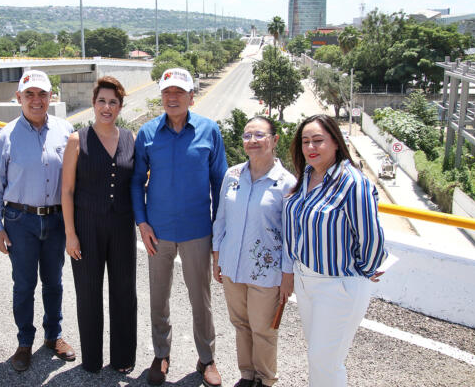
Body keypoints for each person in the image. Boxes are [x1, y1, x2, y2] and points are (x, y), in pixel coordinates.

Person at [131, 68, 228, 387]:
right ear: (161, 96)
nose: (172, 98)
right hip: (157, 231)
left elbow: (220, 183)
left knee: (201, 298)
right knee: (158, 297)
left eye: (179, 92)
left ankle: (207, 358)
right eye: (166, 92)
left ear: (191, 97)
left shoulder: (209, 130)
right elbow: (136, 182)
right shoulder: (146, 133)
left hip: (197, 230)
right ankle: (161, 353)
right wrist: (142, 222)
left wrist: (218, 233)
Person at [283, 114, 386, 387]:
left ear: (336, 143)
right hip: (306, 282)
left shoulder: (353, 182)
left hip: (338, 285)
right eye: (305, 141)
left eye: (318, 141)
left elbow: (372, 239)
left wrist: (359, 273)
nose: (310, 148)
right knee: (318, 357)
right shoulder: (306, 176)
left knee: (325, 361)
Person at [0, 70, 76, 373]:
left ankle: (54, 336)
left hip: (55, 221)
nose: (36, 100)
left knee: (55, 283)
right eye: (30, 95)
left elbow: (77, 180)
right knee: (24, 285)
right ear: (19, 98)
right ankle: (25, 342)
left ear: (52, 97)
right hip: (19, 220)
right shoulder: (6, 136)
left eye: (42, 94)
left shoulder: (66, 130)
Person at [212, 116, 296, 387]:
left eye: (259, 135)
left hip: (266, 272)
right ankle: (247, 375)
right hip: (232, 265)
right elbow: (221, 219)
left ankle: (266, 379)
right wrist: (217, 257)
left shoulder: (287, 183)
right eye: (247, 136)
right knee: (241, 324)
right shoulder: (233, 175)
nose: (252, 141)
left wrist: (288, 275)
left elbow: (292, 235)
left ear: (274, 140)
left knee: (264, 329)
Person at [61, 76, 137, 374]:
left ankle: (122, 358)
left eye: (113, 102)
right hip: (86, 227)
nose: (107, 107)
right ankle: (91, 360)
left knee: (124, 292)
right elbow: (66, 190)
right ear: (94, 104)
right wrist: (70, 234)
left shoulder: (131, 138)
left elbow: (138, 181)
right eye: (102, 101)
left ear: (120, 106)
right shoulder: (76, 139)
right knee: (89, 293)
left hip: (121, 226)